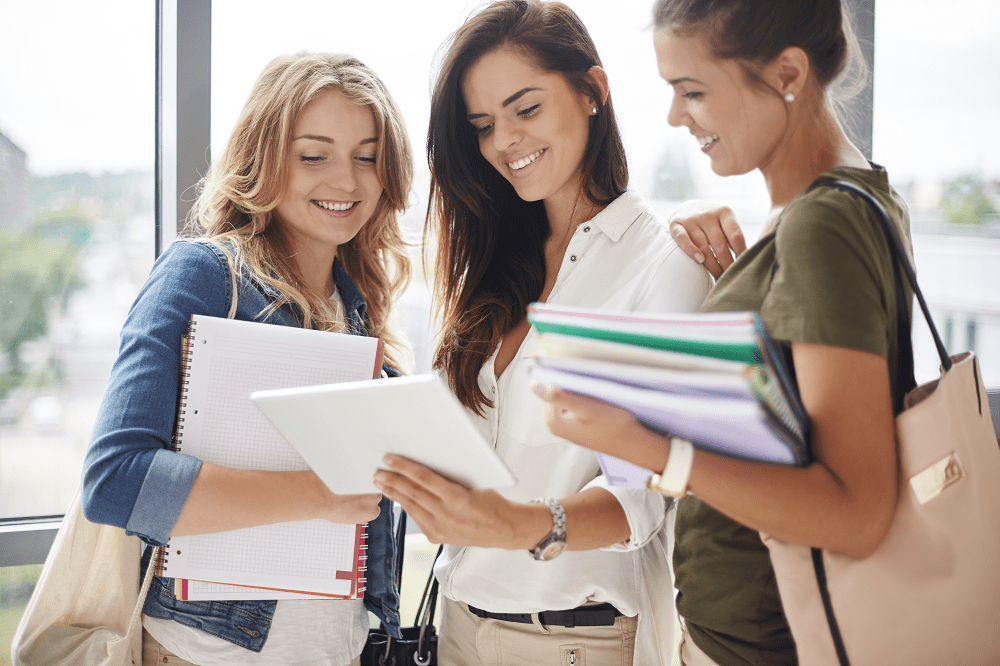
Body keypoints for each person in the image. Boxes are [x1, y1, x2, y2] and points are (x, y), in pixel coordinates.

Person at [534, 0, 912, 664]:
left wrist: (650, 447)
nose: (676, 116)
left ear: (788, 73)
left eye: (694, 91)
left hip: (766, 645)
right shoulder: (847, 199)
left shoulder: (822, 223)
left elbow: (855, 512)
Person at [371, 2, 711, 665]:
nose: (504, 141)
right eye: (483, 126)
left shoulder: (666, 264)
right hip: (458, 625)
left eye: (525, 109)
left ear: (592, 91)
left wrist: (518, 524)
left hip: (572, 641)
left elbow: (645, 494)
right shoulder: (491, 267)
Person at [81, 52, 413, 666]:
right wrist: (317, 494)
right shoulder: (204, 276)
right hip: (207, 655)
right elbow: (114, 481)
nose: (347, 180)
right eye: (314, 156)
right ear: (265, 157)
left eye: (367, 156)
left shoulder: (356, 303)